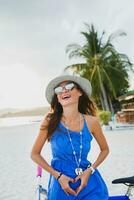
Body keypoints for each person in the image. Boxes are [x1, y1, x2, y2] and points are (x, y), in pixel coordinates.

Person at [31, 72, 109, 200]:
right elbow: (34, 154)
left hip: (89, 183)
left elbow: (105, 150)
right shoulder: (50, 121)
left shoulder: (92, 122)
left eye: (69, 86)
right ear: (57, 97)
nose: (63, 91)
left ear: (80, 92)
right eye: (59, 90)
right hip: (61, 185)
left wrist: (90, 170)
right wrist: (59, 176)